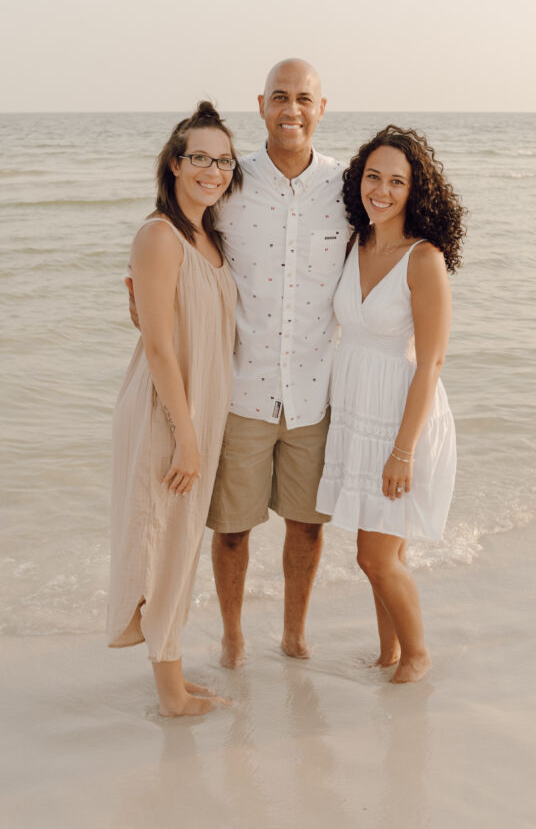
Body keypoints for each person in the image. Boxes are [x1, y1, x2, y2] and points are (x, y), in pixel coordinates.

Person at [207, 58, 351, 667]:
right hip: (243, 387)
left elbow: (396, 249)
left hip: (315, 390)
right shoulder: (228, 182)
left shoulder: (349, 186)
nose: (292, 109)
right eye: (280, 97)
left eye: (304, 98)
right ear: (261, 104)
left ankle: (294, 633)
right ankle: (233, 636)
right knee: (231, 528)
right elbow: (178, 234)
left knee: (307, 526)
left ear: (322, 107)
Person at [315, 125, 466, 683]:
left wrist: (402, 451)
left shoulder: (423, 259)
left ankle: (419, 654)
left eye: (396, 181)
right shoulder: (356, 242)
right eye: (373, 177)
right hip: (356, 413)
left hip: (400, 418)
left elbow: (431, 364)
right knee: (378, 553)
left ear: (414, 190)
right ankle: (390, 654)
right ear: (359, 180)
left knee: (375, 556)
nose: (381, 190)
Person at [107, 101, 242, 717]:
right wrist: (185, 436)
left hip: (203, 406)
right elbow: (159, 347)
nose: (212, 170)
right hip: (170, 408)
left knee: (182, 539)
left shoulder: (209, 236)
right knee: (162, 536)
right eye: (199, 158)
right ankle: (170, 695)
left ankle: (176, 678)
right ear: (175, 163)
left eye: (223, 160)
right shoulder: (159, 236)